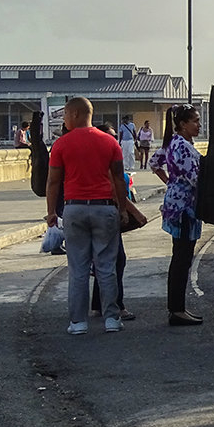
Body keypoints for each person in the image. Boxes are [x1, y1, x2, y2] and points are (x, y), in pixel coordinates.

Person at [45, 97, 129, 335]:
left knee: (78, 268)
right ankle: (112, 318)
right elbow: (119, 180)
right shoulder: (110, 142)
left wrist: (51, 212)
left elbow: (53, 181)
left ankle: (78, 322)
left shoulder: (61, 145)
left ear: (74, 114)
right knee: (106, 266)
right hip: (104, 208)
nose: (63, 120)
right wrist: (122, 209)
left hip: (74, 208)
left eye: (65, 115)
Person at [147, 104, 204, 326]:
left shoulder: (175, 143)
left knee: (182, 256)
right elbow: (196, 179)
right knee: (182, 258)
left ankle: (178, 307)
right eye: (195, 121)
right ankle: (177, 308)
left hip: (178, 203)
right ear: (182, 124)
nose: (198, 125)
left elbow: (154, 163)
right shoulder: (182, 146)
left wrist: (170, 182)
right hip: (184, 208)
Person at [89, 123, 134, 324]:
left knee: (98, 260)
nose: (113, 139)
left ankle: (97, 305)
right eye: (110, 136)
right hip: (107, 211)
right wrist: (125, 210)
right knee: (115, 259)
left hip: (88, 210)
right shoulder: (107, 159)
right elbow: (117, 187)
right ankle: (117, 305)